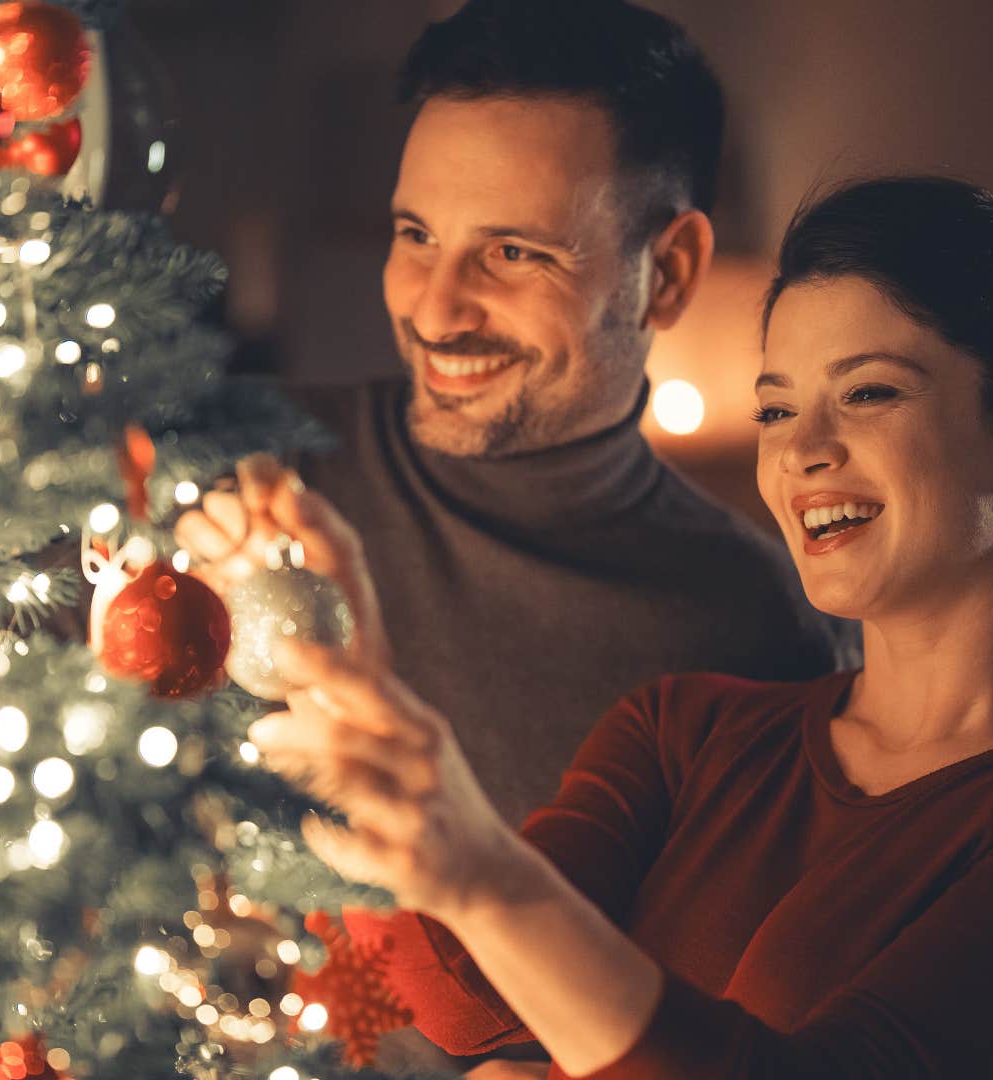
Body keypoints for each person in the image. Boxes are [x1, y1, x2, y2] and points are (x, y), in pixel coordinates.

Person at [245, 177, 993, 1078]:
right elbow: (467, 1001)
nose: (802, 451)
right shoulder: (689, 732)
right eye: (775, 409)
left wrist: (486, 879)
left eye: (868, 393)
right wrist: (333, 687)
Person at [177, 0, 840, 832]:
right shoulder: (239, 465)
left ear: (668, 273)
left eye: (512, 253)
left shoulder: (751, 627)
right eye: (416, 235)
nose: (437, 307)